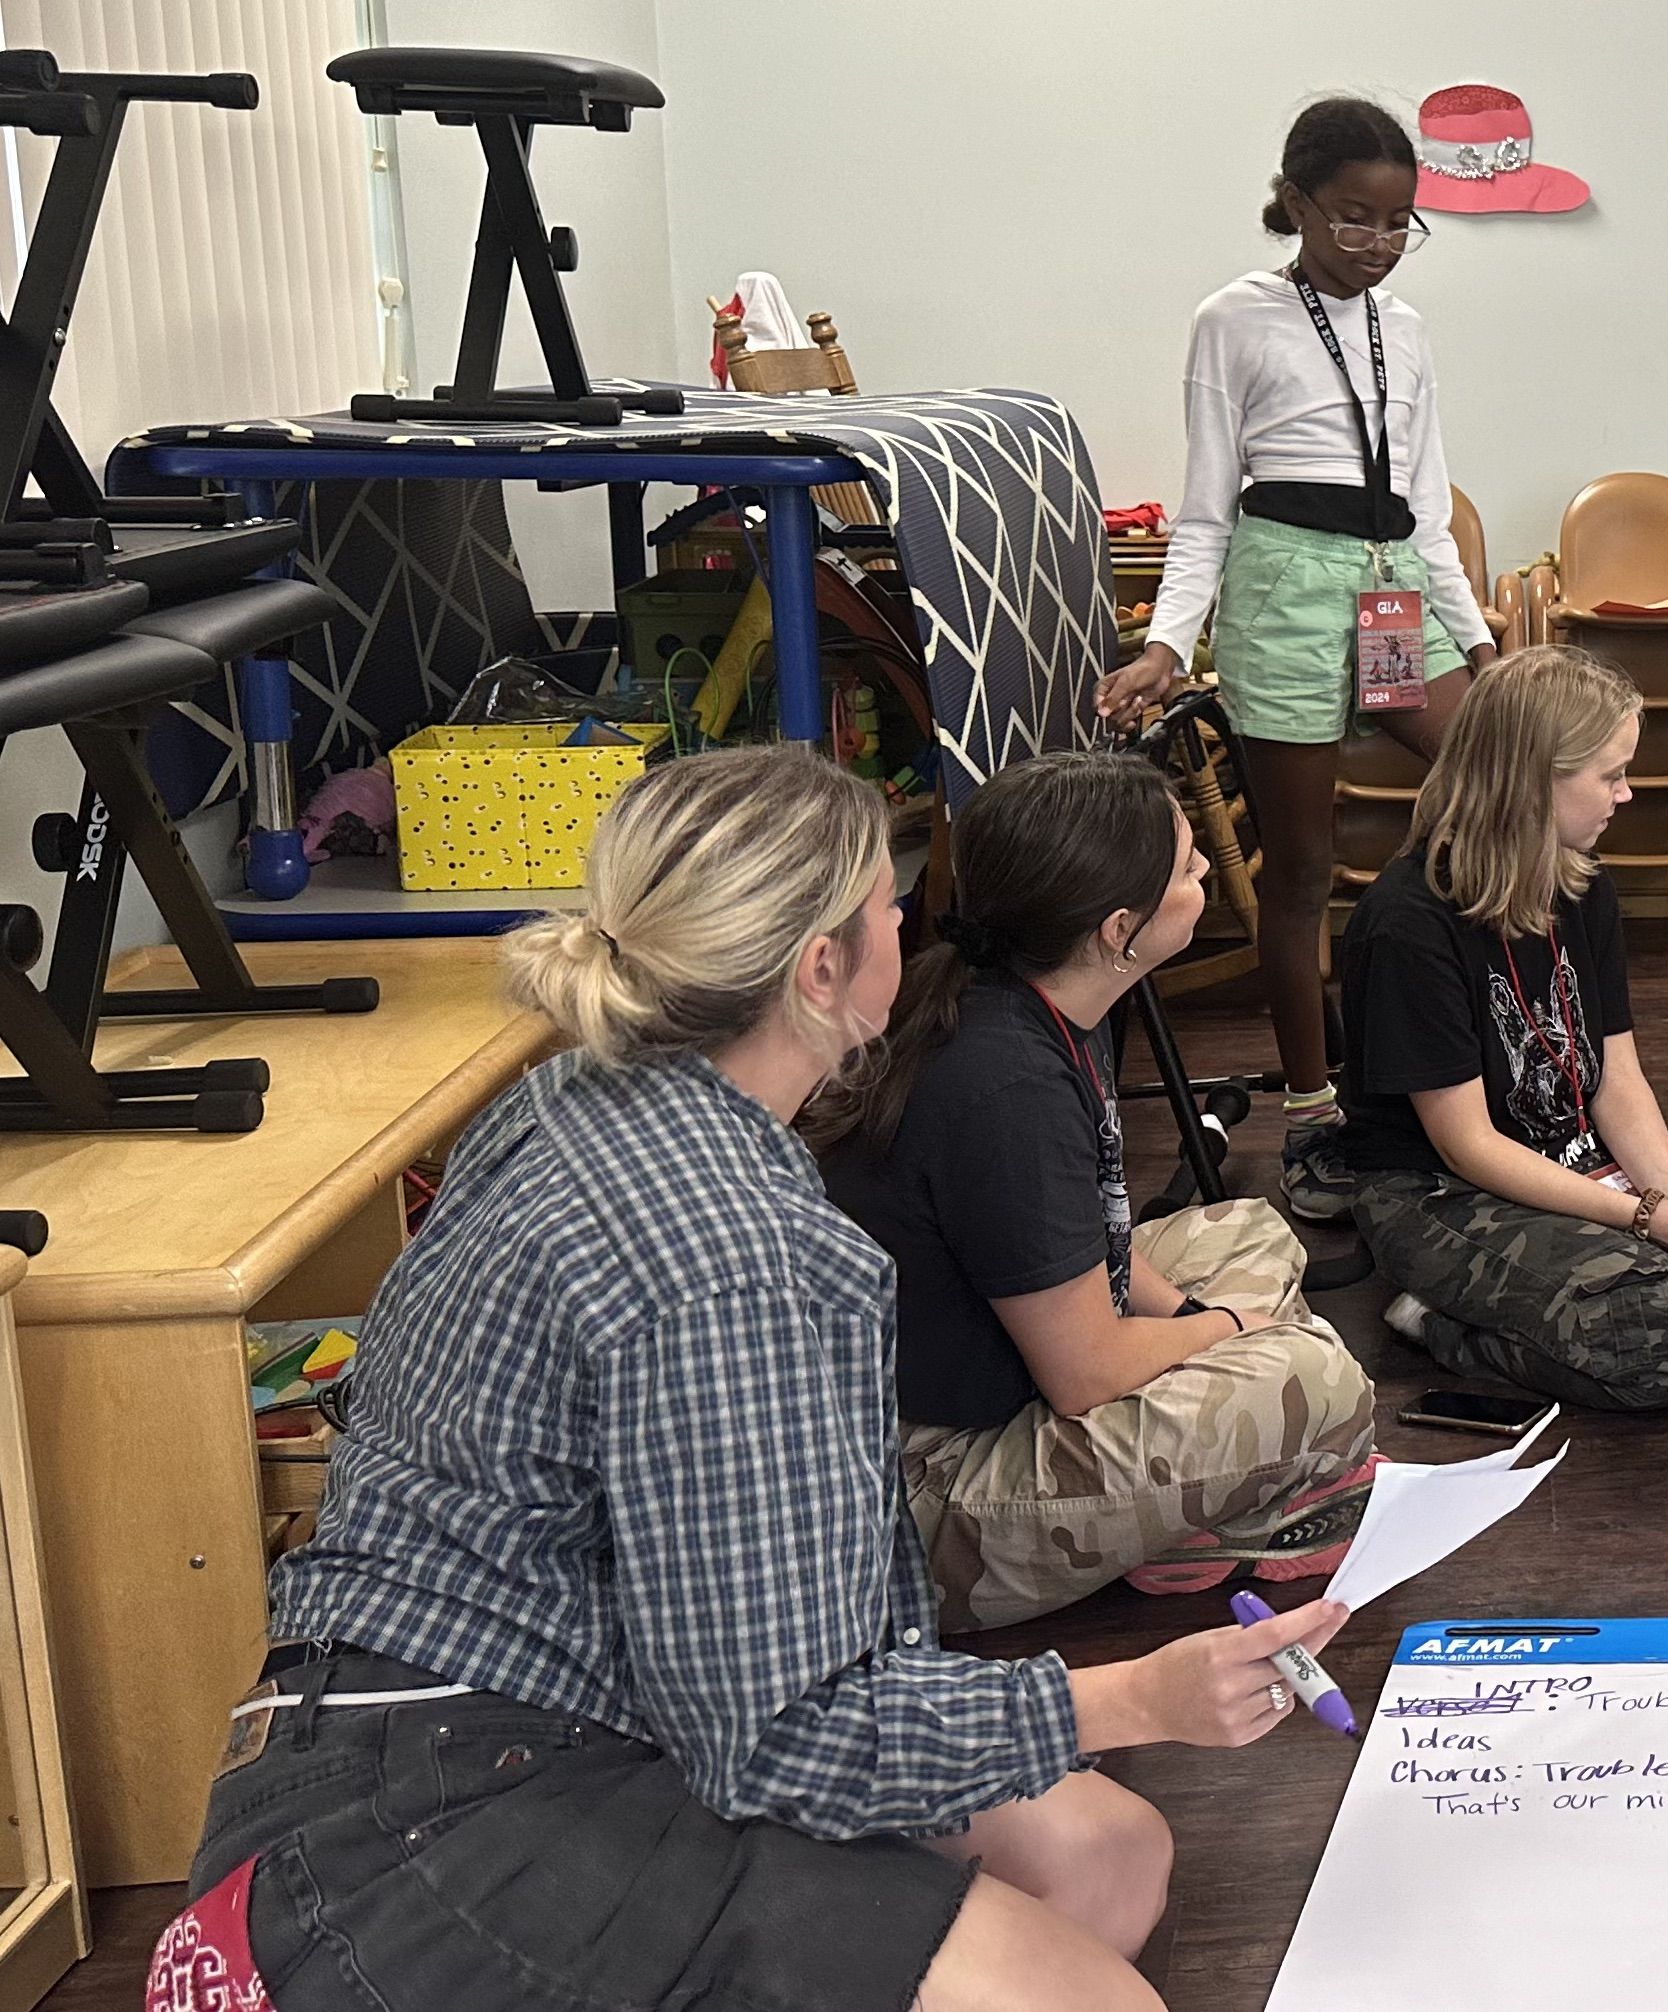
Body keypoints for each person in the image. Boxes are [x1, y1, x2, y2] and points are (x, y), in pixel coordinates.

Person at [169, 747, 1344, 2012]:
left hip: (549, 1707)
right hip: (421, 1822)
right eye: (886, 903)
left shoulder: (591, 1092)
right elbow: (776, 1737)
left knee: (1109, 1856)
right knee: (1088, 1986)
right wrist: (1133, 1696)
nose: (911, 918)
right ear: (822, 969)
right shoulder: (731, 1257)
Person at [812, 751, 1377, 1630]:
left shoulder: (1023, 997)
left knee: (1251, 1234)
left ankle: (1204, 1505)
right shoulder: (1006, 1087)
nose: (1202, 878)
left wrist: (1191, 1313)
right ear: (1120, 929)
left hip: (1001, 1362)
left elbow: (1099, 1232)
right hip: (936, 1482)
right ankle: (1214, 1516)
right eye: (1188, 868)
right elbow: (1080, 1374)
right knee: (1319, 1376)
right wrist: (1224, 1331)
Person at [1097, 94, 1497, 1234]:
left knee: (1503, 786)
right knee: (1304, 869)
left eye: (1397, 224)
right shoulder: (1234, 319)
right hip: (1280, 587)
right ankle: (1315, 1110)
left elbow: (1423, 506)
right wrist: (1171, 639)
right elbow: (1206, 507)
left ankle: (1471, 1058)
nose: (1373, 243)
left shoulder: (1405, 330)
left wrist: (1475, 641)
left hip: (1391, 587)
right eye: (1352, 219)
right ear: (1297, 201)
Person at [1325, 644, 1668, 1410]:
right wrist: (1648, 1218)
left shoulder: (1582, 884)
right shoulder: (1406, 925)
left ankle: (1542, 1297)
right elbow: (1467, 1144)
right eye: (1610, 774)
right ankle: (1441, 1322)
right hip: (1438, 1191)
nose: (1626, 793)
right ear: (1528, 782)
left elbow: (1615, 1075)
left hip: (1568, 1156)